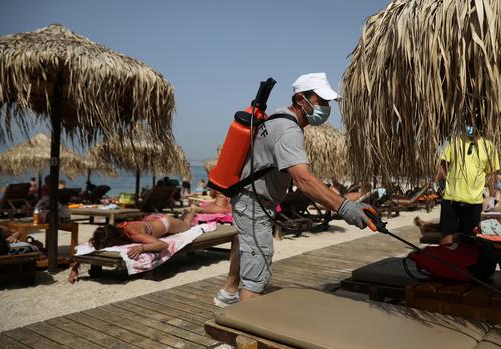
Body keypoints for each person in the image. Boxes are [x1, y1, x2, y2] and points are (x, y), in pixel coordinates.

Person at [213, 73, 373, 307]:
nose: (327, 108)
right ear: (301, 100)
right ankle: (243, 334)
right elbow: (304, 180)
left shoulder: (277, 118)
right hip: (255, 204)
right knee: (256, 274)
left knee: (248, 248)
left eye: (328, 103)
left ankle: (228, 294)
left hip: (248, 200)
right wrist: (344, 208)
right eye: (322, 102)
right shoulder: (288, 131)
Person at [68, 209, 199, 283]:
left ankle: (192, 211)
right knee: (182, 221)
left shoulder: (134, 234)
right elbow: (90, 244)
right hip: (150, 219)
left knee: (187, 225)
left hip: (165, 223)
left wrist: (142, 248)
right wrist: (75, 267)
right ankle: (183, 215)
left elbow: (162, 244)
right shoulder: (112, 230)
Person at [435, 121, 500, 244]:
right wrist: (437, 183)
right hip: (451, 198)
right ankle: (444, 261)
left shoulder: (489, 147)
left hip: (474, 202)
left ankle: (462, 262)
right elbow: (443, 165)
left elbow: (492, 174)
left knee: (469, 240)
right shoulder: (456, 142)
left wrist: (491, 198)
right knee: (446, 237)